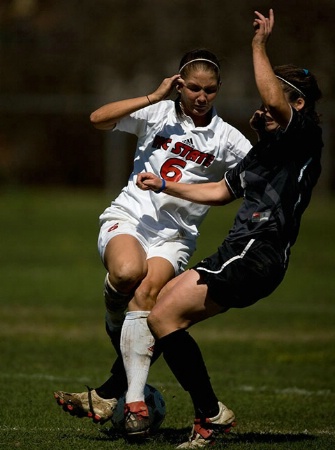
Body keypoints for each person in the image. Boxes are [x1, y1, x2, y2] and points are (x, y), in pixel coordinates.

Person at [136, 9, 323, 448]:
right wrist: (166, 183)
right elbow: (221, 191)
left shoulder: (305, 135)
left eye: (276, 99)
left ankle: (209, 413)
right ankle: (129, 396)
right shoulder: (268, 149)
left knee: (163, 314)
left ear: (296, 104)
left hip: (259, 253)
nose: (264, 107)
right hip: (240, 251)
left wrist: (258, 45)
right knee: (161, 309)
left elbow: (276, 101)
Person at [54, 48, 252, 435]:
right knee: (128, 273)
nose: (201, 96)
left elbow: (259, 173)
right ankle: (117, 325)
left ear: (218, 90)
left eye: (209, 90)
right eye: (193, 87)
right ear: (180, 85)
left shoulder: (227, 138)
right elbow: (98, 119)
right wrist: (153, 95)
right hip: (129, 218)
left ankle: (131, 403)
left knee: (147, 297)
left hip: (175, 237)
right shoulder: (158, 113)